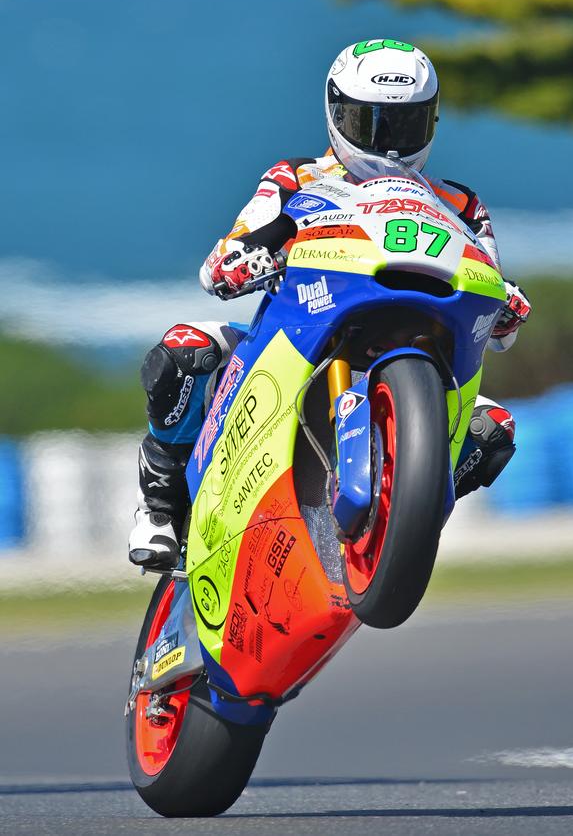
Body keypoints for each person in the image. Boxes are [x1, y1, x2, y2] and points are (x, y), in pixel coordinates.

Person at [128, 39, 531, 570]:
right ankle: (162, 507)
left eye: (403, 126)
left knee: (495, 428)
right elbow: (221, 264)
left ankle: (404, 515)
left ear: (429, 123)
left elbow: (494, 304)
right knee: (186, 351)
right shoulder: (295, 178)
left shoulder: (460, 204)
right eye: (372, 123)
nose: (388, 144)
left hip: (419, 338)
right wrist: (247, 257)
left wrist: (505, 300)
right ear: (337, 114)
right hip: (297, 331)